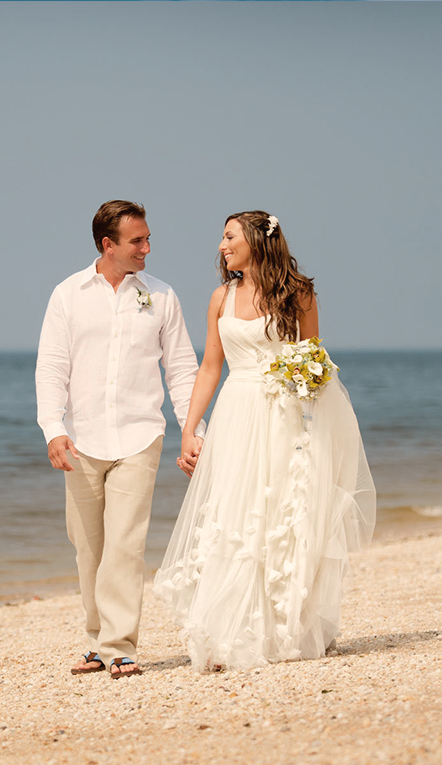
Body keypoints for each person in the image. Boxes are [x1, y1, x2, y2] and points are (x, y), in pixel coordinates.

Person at [153, 210, 376, 673]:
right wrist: (190, 429)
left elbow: (312, 358)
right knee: (234, 513)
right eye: (222, 237)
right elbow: (210, 367)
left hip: (285, 416)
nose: (221, 245)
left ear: (257, 239)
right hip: (236, 413)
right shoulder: (221, 297)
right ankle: (229, 631)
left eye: (229, 236)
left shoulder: (299, 294)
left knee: (281, 514)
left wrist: (310, 414)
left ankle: (282, 629)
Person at [36, 200, 203, 679]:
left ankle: (120, 645)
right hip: (81, 439)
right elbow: (51, 367)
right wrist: (54, 429)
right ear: (108, 245)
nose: (147, 248)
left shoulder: (162, 296)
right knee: (88, 546)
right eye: (138, 241)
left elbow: (182, 370)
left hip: (139, 435)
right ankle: (96, 641)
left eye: (148, 239)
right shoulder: (67, 295)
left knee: (125, 546)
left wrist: (192, 431)